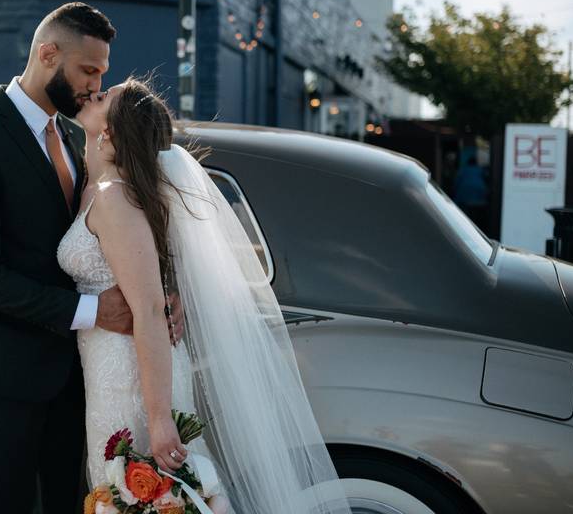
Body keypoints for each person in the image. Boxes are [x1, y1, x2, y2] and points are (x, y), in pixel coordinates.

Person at [0, 3, 184, 514]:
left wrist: (163, 293)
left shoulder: (80, 136)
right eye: (87, 71)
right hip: (8, 376)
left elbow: (123, 227)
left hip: (84, 377)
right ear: (48, 54)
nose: (95, 88)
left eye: (102, 75)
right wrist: (96, 313)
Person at [59, 77, 353, 513]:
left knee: (140, 491)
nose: (93, 94)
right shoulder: (94, 188)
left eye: (104, 97)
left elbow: (150, 313)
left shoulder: (113, 199)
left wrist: (159, 421)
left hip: (133, 379)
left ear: (111, 133)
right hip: (107, 369)